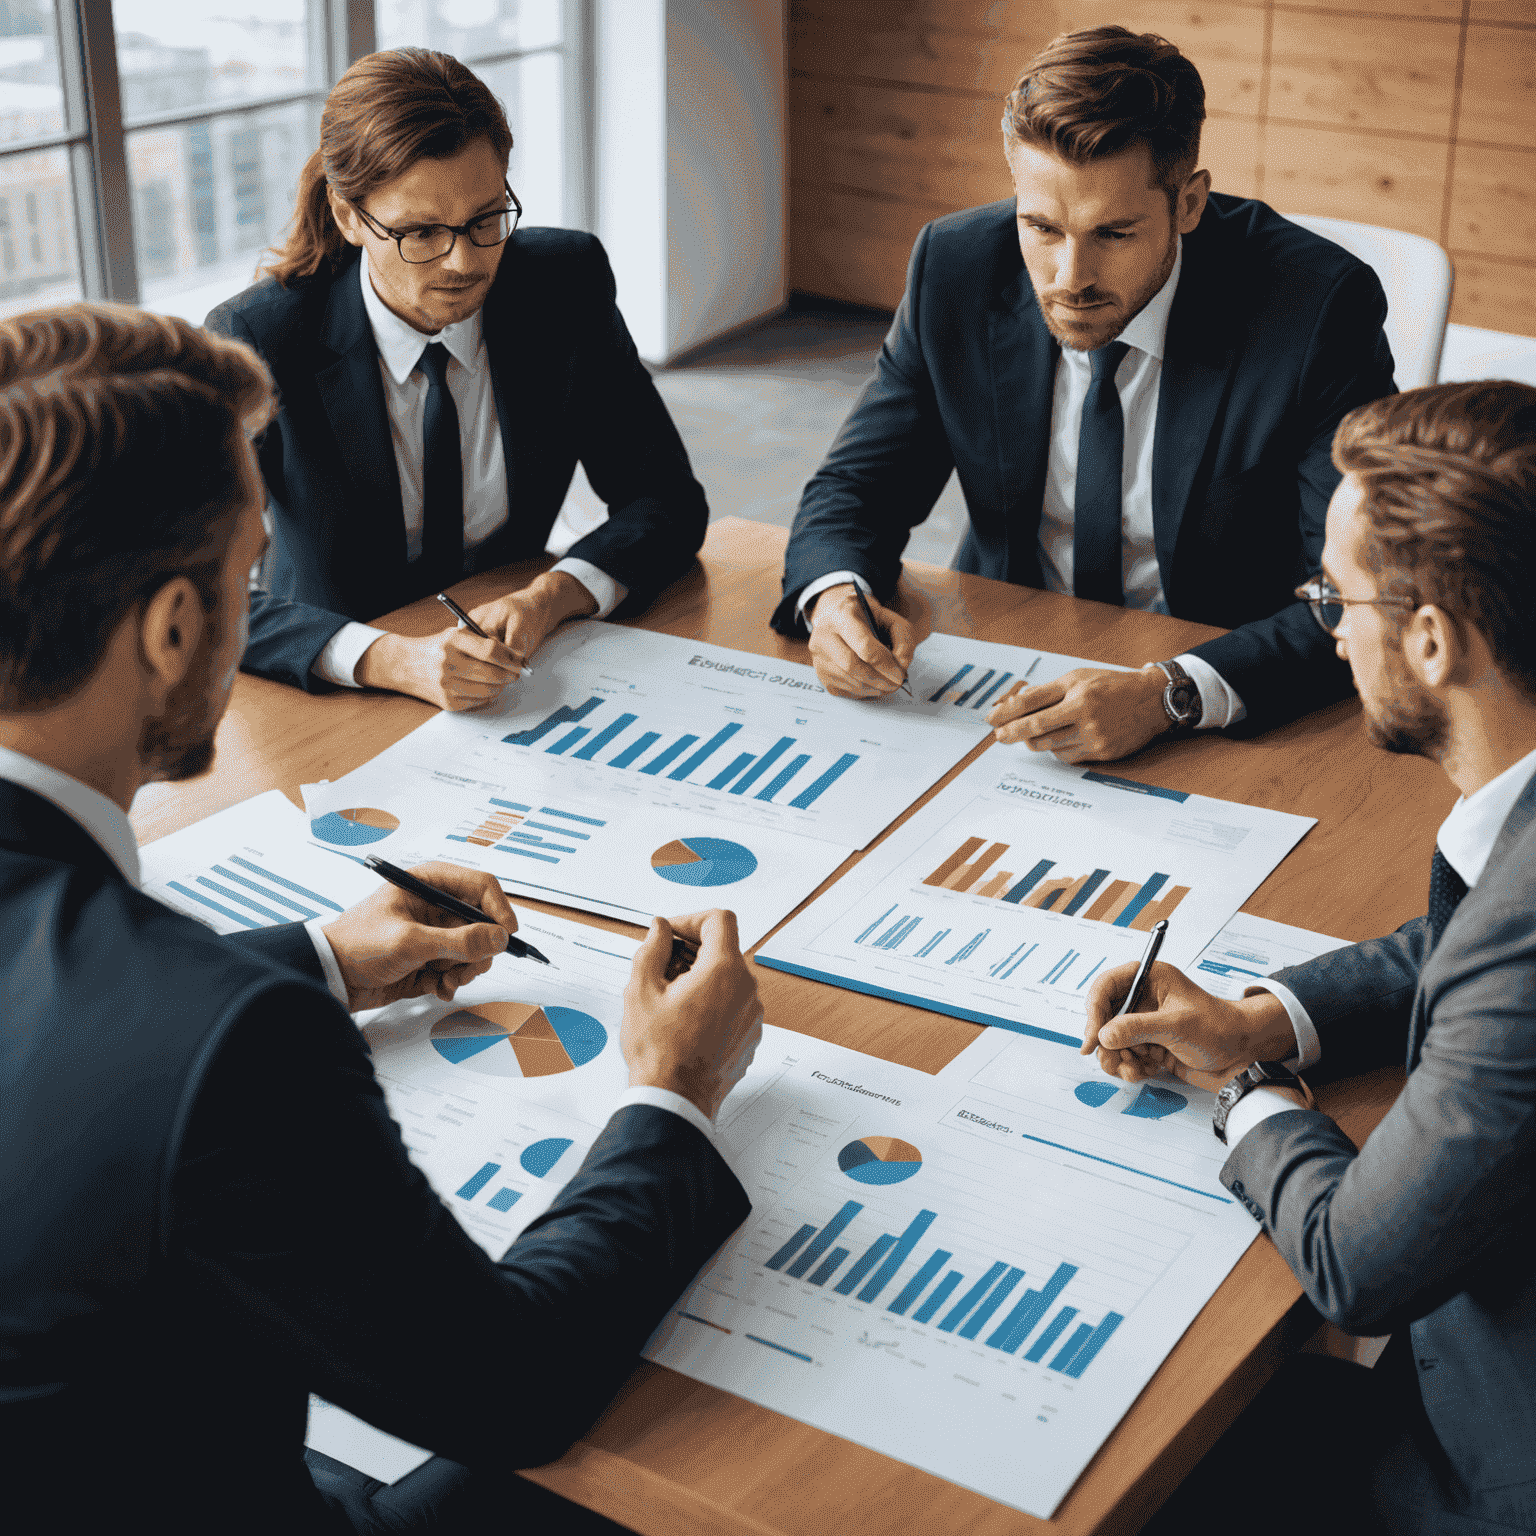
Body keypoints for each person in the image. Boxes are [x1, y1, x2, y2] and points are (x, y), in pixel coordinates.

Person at [0, 304, 761, 1534]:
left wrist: (319, 960)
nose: (258, 600)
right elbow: (509, 1388)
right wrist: (673, 1095)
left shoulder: (187, 1007)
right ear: (175, 629)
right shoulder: (224, 1039)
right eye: (249, 574)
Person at [1082, 381, 1536, 1533]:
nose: (1327, 625)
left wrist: (1247, 1095)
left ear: (1431, 639)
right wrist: (1260, 1019)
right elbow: (1463, 943)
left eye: (1338, 594)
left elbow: (1356, 1265)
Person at [776, 25, 1396, 763]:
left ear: (1189, 204)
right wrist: (835, 598)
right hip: (1011, 655)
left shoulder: (1317, 309)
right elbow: (856, 488)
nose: (1070, 276)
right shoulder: (956, 267)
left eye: (1115, 233)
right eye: (1041, 226)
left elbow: (1351, 593)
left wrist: (1173, 692)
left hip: (1224, 680)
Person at [207, 47, 708, 712]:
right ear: (349, 215)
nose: (465, 262)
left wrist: (553, 595)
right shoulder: (259, 339)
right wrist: (394, 659)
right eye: (420, 232)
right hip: (335, 686)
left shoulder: (564, 282)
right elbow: (192, 584)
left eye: (485, 219)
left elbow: (666, 498)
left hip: (518, 670)